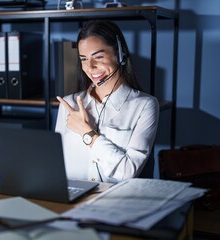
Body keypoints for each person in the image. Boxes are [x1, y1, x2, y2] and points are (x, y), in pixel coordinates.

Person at [55, 20, 159, 184]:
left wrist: (86, 132)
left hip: (117, 202)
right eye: (84, 59)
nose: (90, 67)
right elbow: (58, 168)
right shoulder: (68, 105)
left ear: (120, 54)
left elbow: (127, 172)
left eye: (99, 57)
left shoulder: (145, 105)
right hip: (74, 201)